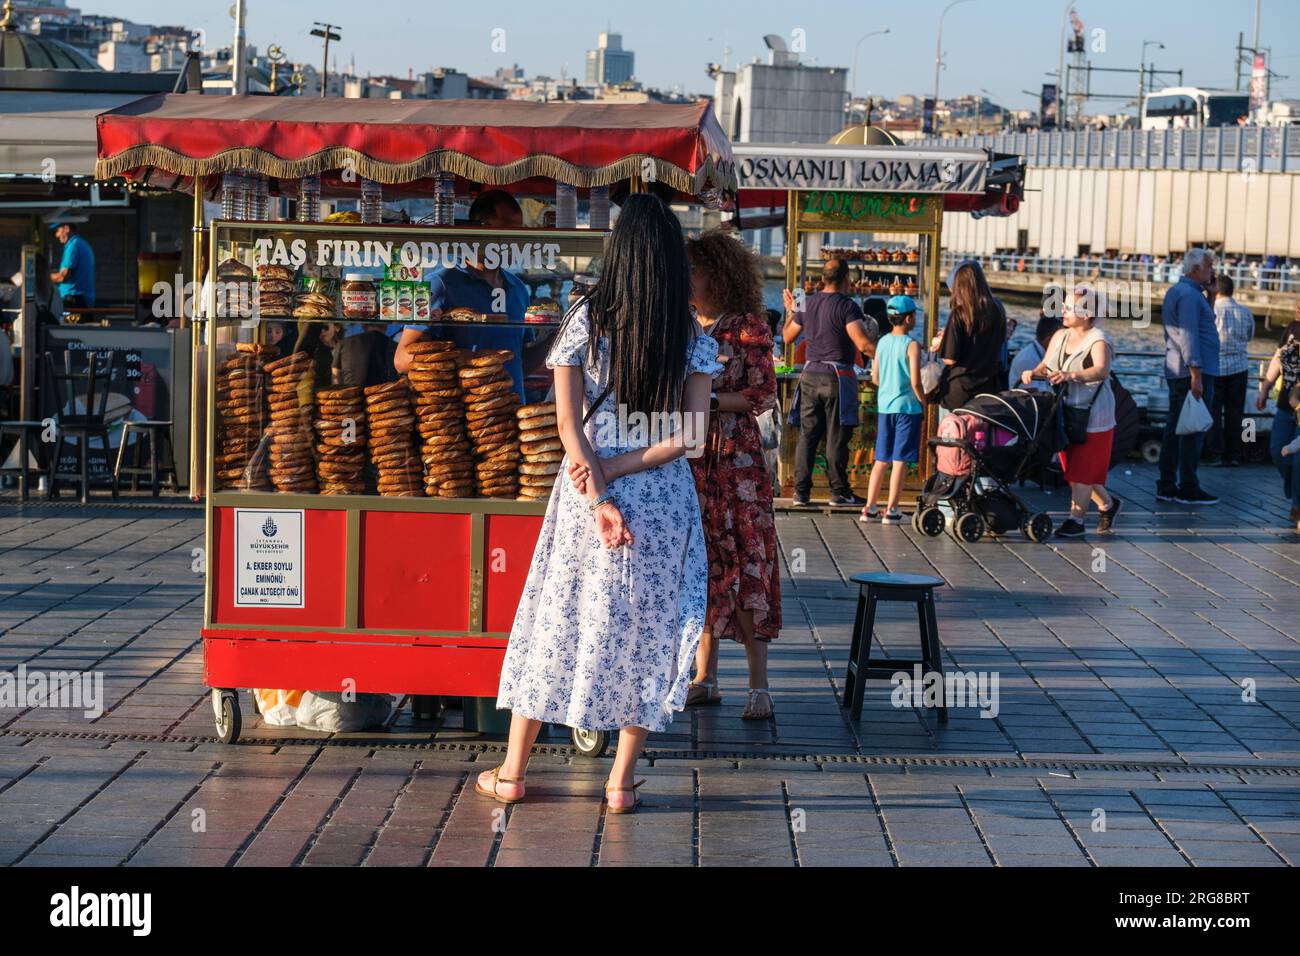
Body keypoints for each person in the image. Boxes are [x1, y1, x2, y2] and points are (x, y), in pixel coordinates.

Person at [486, 195, 721, 812]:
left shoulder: (585, 318)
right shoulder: (688, 331)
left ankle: (512, 772)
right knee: (649, 629)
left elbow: (568, 424)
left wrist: (598, 490)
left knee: (560, 618)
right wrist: (623, 469)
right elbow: (692, 437)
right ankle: (619, 782)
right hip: (663, 494)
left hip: (585, 487)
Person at [680, 229, 781, 720]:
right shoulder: (681, 325)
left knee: (746, 565)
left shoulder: (746, 327)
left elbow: (764, 394)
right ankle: (705, 676)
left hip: (735, 460)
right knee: (703, 564)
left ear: (716, 275)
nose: (686, 279)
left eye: (693, 270)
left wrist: (711, 400)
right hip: (694, 457)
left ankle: (758, 687)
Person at [393, 190, 553, 397]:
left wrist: (553, 338)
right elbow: (402, 360)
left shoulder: (518, 289)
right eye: (505, 233)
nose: (514, 241)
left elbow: (519, 366)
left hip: (510, 417)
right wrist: (469, 358)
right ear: (479, 230)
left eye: (518, 233)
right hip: (460, 418)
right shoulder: (439, 284)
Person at [1022, 286, 1120, 537]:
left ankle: (1075, 521)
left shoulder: (1098, 339)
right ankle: (1108, 505)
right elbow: (1047, 364)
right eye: (1063, 306)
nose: (1062, 311)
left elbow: (1101, 370)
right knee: (1074, 469)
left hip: (1094, 414)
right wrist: (1033, 372)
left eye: (1069, 308)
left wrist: (1072, 375)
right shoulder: (1060, 336)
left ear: (1086, 314)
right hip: (1065, 411)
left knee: (1082, 471)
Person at [782, 258, 877, 507]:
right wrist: (885, 355)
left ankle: (801, 493)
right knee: (837, 436)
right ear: (847, 279)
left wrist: (793, 310)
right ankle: (839, 492)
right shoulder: (847, 307)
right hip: (836, 376)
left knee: (808, 436)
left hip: (810, 375)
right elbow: (862, 343)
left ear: (822, 278)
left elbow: (787, 336)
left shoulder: (808, 303)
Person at [1157, 248, 1220, 505]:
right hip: (1191, 372)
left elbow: (1199, 325)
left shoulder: (1185, 293)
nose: (1212, 271)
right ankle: (1187, 486)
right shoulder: (1190, 297)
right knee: (1192, 430)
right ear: (1195, 270)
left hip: (1179, 370)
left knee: (1175, 428)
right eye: (1208, 267)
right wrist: (1196, 374)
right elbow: (1189, 335)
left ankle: (1167, 484)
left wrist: (1212, 297)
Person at [860, 295, 924, 524]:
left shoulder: (883, 342)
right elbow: (916, 381)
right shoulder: (912, 345)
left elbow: (875, 377)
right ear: (908, 319)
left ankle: (869, 508)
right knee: (900, 460)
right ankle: (893, 510)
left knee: (881, 459)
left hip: (884, 407)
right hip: (907, 408)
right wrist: (923, 401)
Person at [933, 261, 1006, 413]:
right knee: (981, 435)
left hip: (960, 391)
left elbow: (950, 359)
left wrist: (941, 343)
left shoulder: (960, 313)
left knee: (953, 434)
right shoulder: (997, 309)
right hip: (989, 389)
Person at [1255, 304, 1300, 526]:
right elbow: (1277, 358)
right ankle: (1294, 490)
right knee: (1277, 449)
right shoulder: (1292, 329)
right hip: (1285, 404)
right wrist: (1265, 387)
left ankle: (1297, 504)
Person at [1209, 273, 1253, 467]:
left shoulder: (1212, 310)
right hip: (1240, 367)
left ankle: (1215, 453)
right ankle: (1234, 454)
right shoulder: (1245, 312)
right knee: (1236, 412)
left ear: (1217, 290)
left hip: (1216, 366)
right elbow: (1250, 336)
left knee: (1214, 411)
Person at [1009, 313, 1062, 394]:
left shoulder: (1035, 352)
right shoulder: (1027, 360)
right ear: (1049, 340)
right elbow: (1037, 394)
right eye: (1061, 339)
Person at [49, 223, 95, 310]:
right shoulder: (79, 243)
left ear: (66, 229)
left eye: (57, 231)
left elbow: (63, 277)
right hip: (79, 299)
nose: (56, 235)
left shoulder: (73, 246)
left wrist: (41, 277)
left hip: (74, 300)